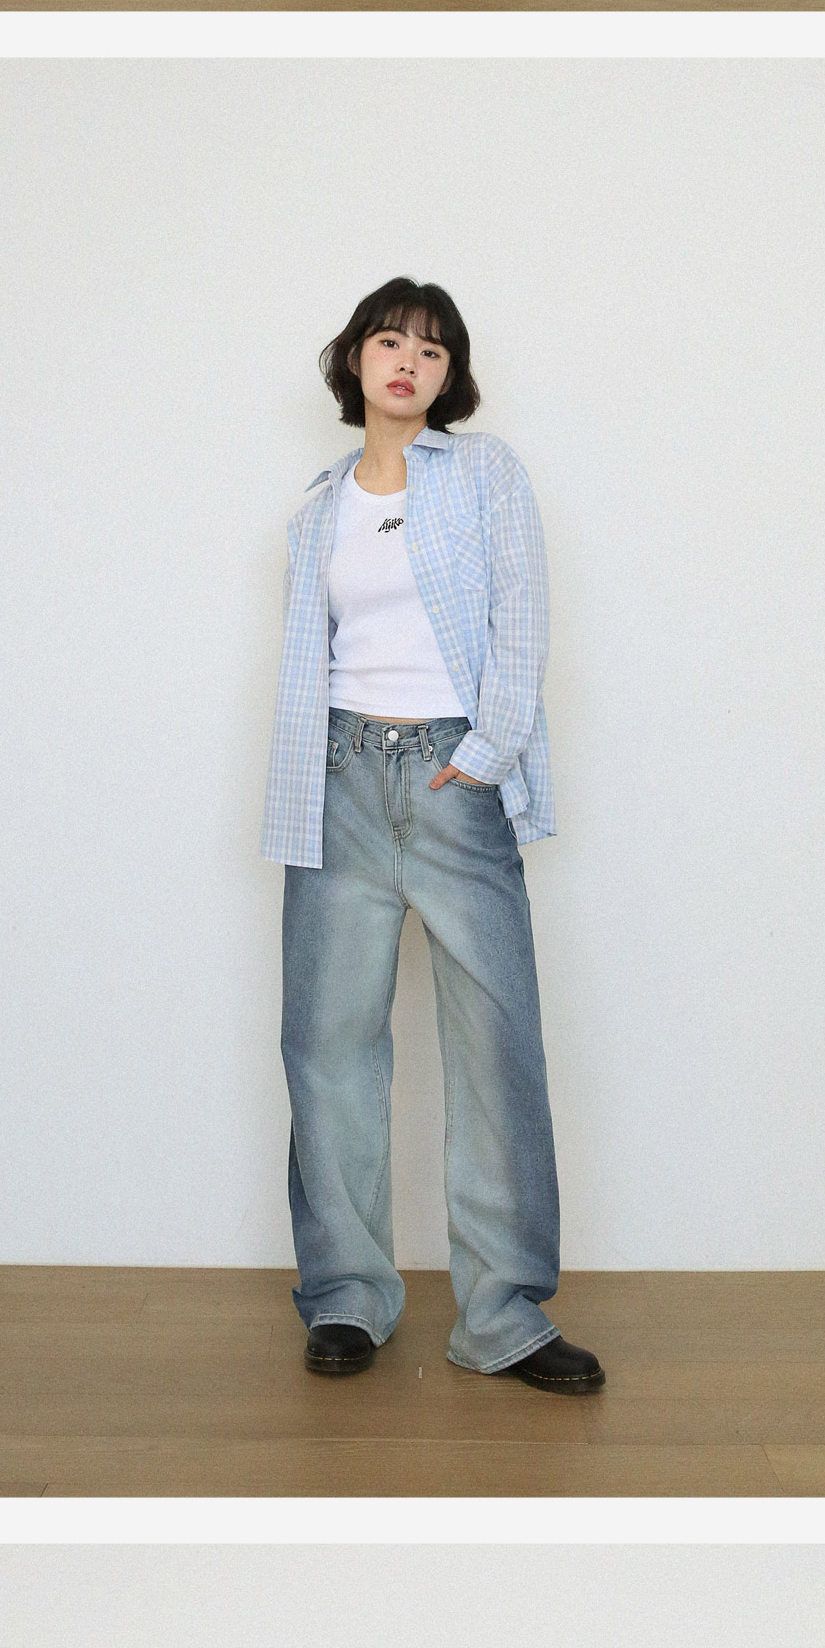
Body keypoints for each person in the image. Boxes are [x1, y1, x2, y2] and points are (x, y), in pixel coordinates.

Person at [263, 271, 605, 1395]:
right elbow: (310, 663)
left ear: (449, 376)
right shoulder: (317, 509)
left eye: (431, 349)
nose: (408, 362)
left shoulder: (484, 472)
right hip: (340, 782)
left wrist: (487, 755)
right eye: (388, 341)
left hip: (455, 777)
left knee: (497, 1044)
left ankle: (503, 1315)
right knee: (328, 1047)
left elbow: (522, 613)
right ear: (354, 359)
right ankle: (347, 1297)